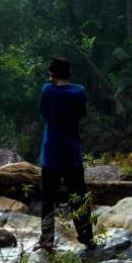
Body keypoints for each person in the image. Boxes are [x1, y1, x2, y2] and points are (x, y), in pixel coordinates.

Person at [36, 57, 93, 251]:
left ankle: (47, 240)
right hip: (72, 153)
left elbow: (44, 115)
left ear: (52, 73)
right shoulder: (79, 92)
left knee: (47, 200)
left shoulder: (47, 90)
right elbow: (81, 115)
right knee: (78, 197)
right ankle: (87, 238)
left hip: (51, 153)